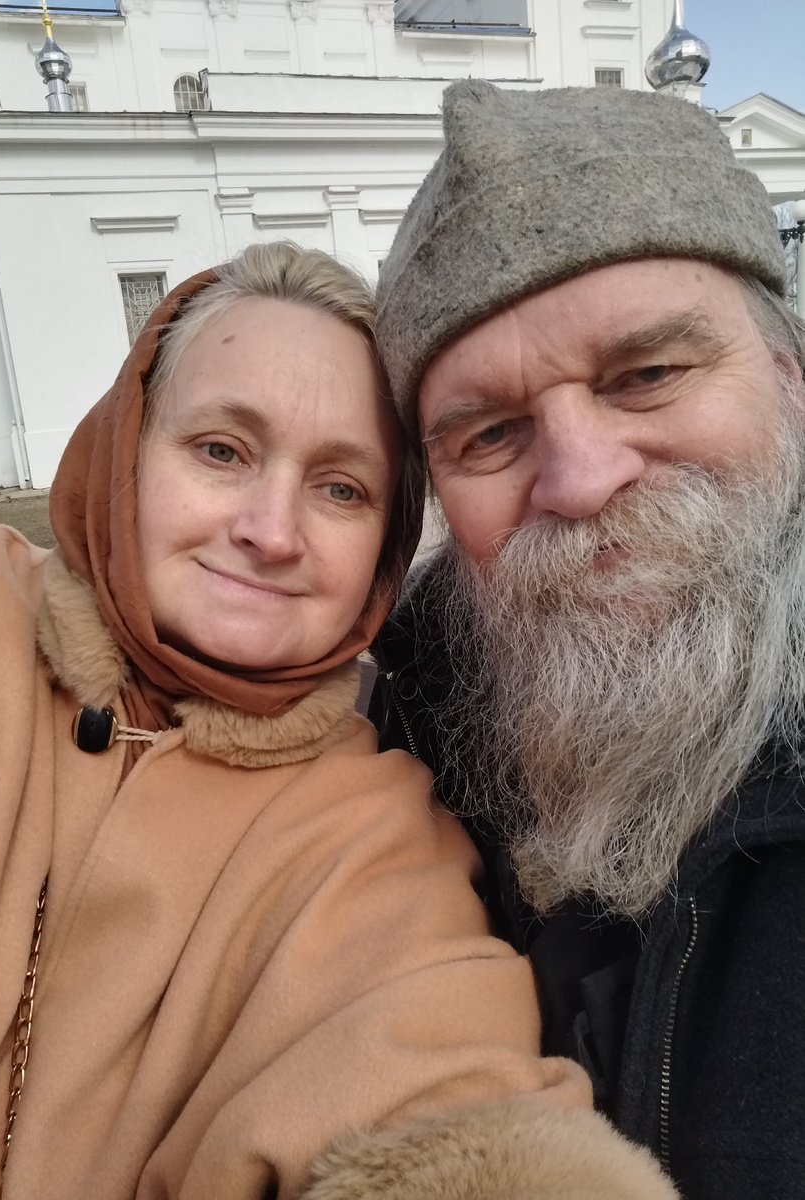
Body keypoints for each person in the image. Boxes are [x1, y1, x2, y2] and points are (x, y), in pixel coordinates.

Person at [0, 242, 674, 1200]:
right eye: (221, 451)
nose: (270, 532)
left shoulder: (375, 839)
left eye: (341, 488)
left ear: (387, 547)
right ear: (125, 450)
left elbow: (447, 1103)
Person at [370, 81, 805, 1200]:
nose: (578, 479)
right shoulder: (400, 722)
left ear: (790, 377)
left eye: (647, 376)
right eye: (490, 434)